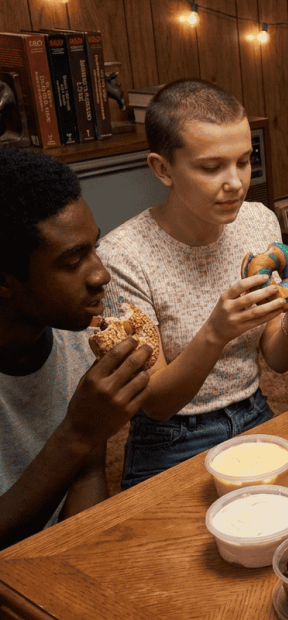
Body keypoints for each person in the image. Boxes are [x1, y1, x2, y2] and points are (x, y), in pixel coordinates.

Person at [97, 79, 288, 488]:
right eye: (211, 167)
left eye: (244, 161)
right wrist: (215, 333)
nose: (236, 182)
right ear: (162, 169)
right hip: (171, 437)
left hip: (254, 410)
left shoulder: (258, 222)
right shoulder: (122, 257)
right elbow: (156, 404)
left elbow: (278, 361)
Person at [0, 148, 152, 549]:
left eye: (94, 247)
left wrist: (90, 565)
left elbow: (86, 476)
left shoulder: (78, 330)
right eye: (72, 261)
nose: (101, 273)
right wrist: (79, 431)